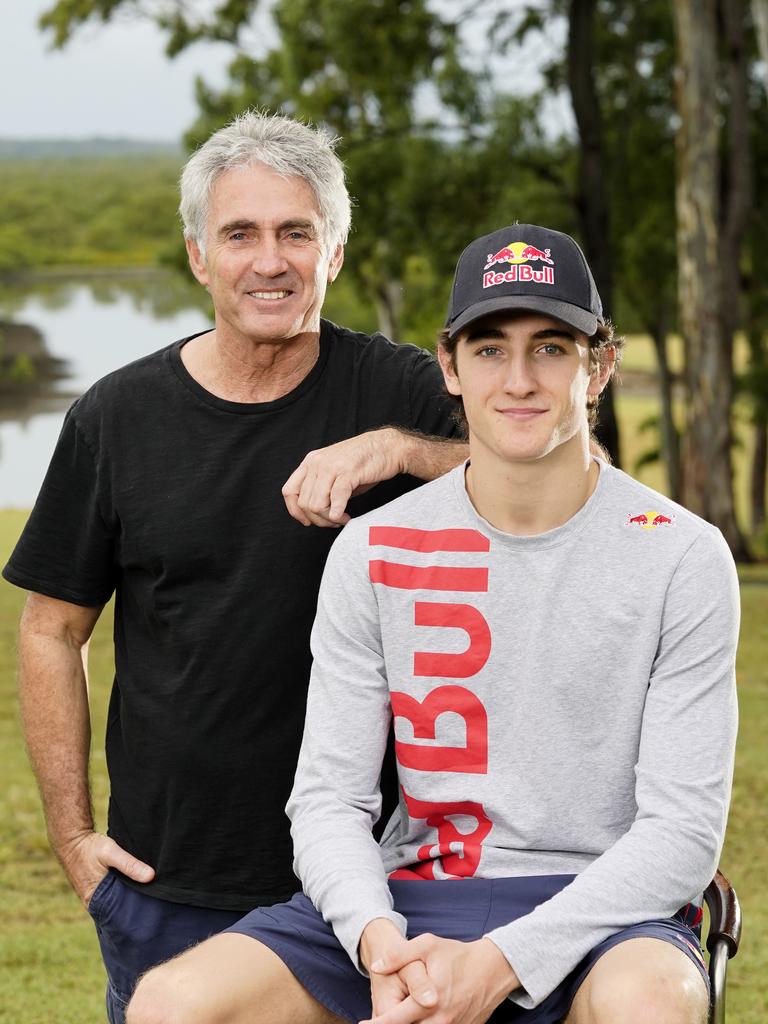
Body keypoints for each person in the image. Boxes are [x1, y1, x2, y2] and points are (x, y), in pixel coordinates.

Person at [126, 223, 739, 1024]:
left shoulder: (681, 557)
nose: (520, 379)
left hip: (602, 917)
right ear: (448, 365)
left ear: (600, 367)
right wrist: (376, 939)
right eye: (489, 349)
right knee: (172, 1004)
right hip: (414, 900)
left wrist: (502, 963)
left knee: (651, 1003)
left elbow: (683, 836)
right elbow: (327, 801)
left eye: (552, 348)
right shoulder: (374, 549)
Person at [2, 112, 467, 1022]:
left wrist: (395, 450)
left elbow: (560, 472)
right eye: (241, 233)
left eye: (298, 232)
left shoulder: (402, 390)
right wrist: (72, 839)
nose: (271, 260)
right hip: (168, 882)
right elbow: (52, 630)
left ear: (333, 253)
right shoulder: (115, 417)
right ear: (197, 256)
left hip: (377, 882)